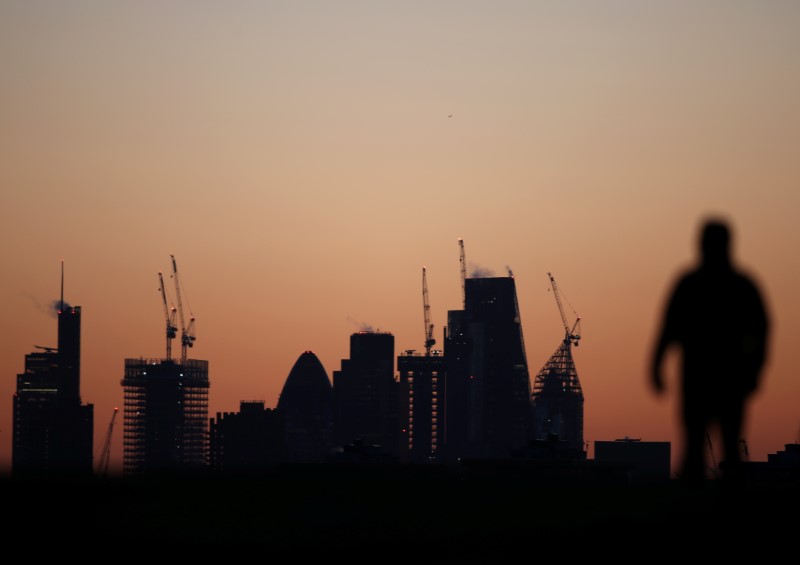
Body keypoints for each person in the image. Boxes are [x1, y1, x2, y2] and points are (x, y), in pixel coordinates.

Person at [651, 218, 769, 486]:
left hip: (703, 376)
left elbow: (668, 329)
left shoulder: (690, 283)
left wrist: (657, 366)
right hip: (726, 377)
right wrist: (755, 369)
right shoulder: (741, 285)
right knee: (716, 444)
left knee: (706, 442)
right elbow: (762, 332)